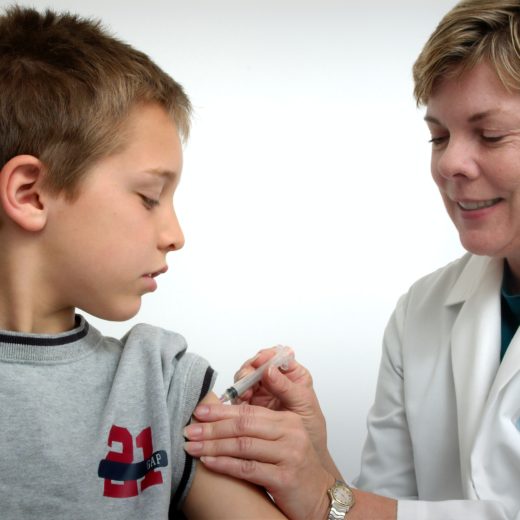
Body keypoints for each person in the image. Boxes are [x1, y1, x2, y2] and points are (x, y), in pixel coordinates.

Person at [184, 0, 520, 518]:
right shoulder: (423, 311)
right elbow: (375, 509)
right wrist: (315, 456)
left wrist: (322, 499)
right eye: (439, 136)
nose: (449, 162)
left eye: (491, 135)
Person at [0, 6, 288, 519]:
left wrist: (312, 473)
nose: (175, 236)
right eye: (150, 196)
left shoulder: (159, 385)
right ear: (32, 195)